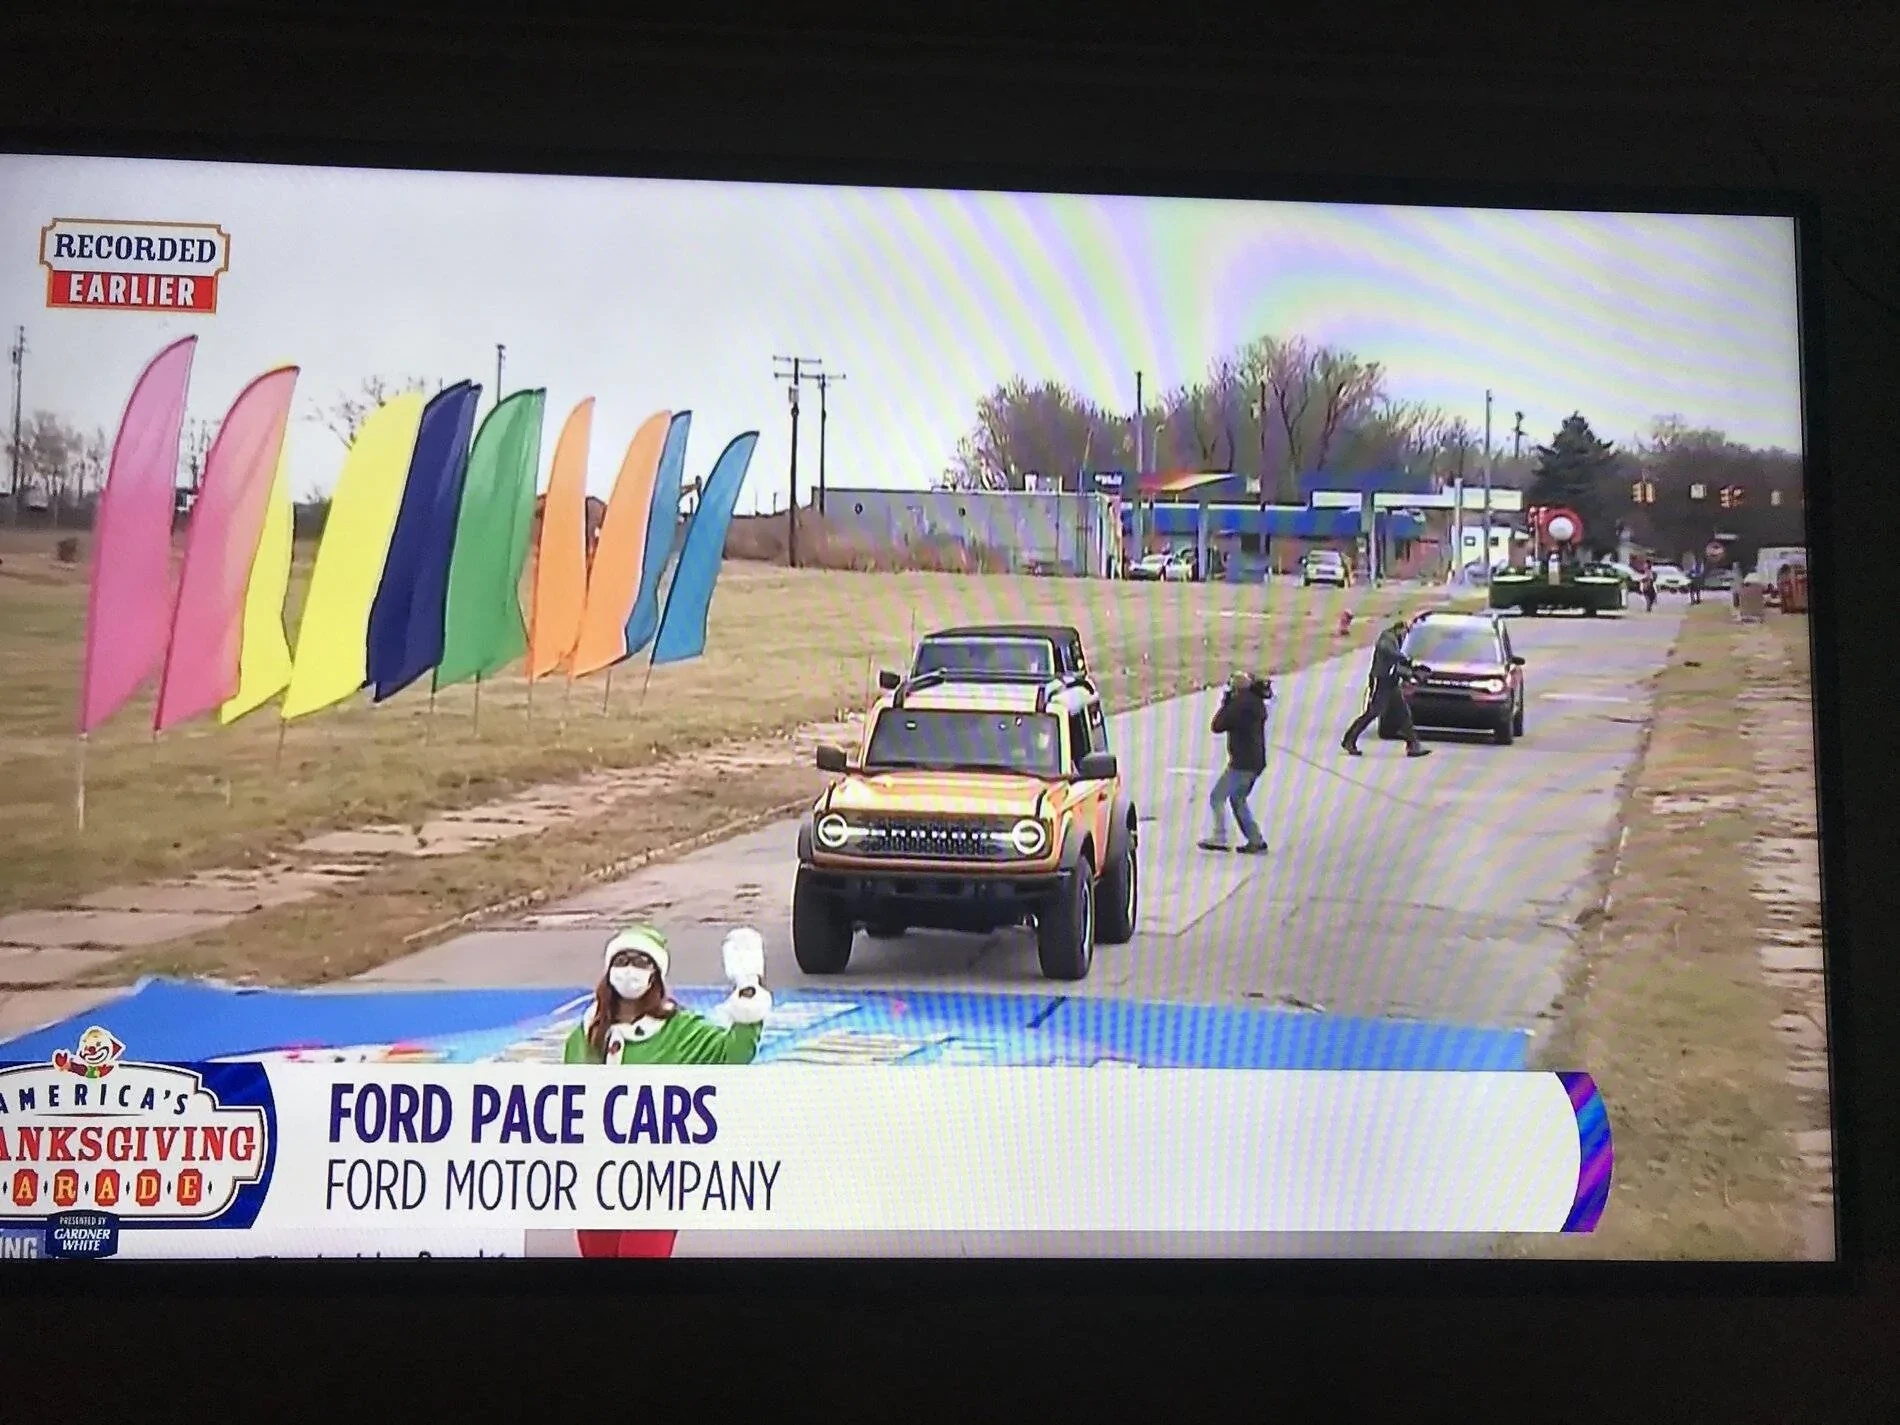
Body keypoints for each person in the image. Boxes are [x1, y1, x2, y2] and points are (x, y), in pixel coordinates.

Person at [566, 923, 771, 1259]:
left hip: (655, 1182)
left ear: (656, 975)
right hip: (596, 1177)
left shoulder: (682, 1030)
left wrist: (748, 992)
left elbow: (733, 1054)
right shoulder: (586, 1033)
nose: (630, 970)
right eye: (623, 960)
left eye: (641, 962)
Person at [1198, 670, 1272, 854]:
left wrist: (1226, 703)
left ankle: (1220, 837)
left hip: (1242, 763)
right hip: (1255, 761)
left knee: (1217, 796)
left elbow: (1217, 725)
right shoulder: (1255, 703)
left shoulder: (1239, 705)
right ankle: (1256, 839)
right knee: (1238, 799)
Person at [1341, 617, 1431, 758]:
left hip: (1392, 681)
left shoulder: (1397, 640)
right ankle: (1349, 740)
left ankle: (1413, 746)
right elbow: (1387, 651)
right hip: (1382, 681)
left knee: (1403, 713)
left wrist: (1409, 673)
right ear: (1399, 628)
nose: (1405, 634)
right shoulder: (1387, 638)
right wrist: (1403, 658)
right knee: (1373, 712)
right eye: (1405, 631)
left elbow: (1396, 666)